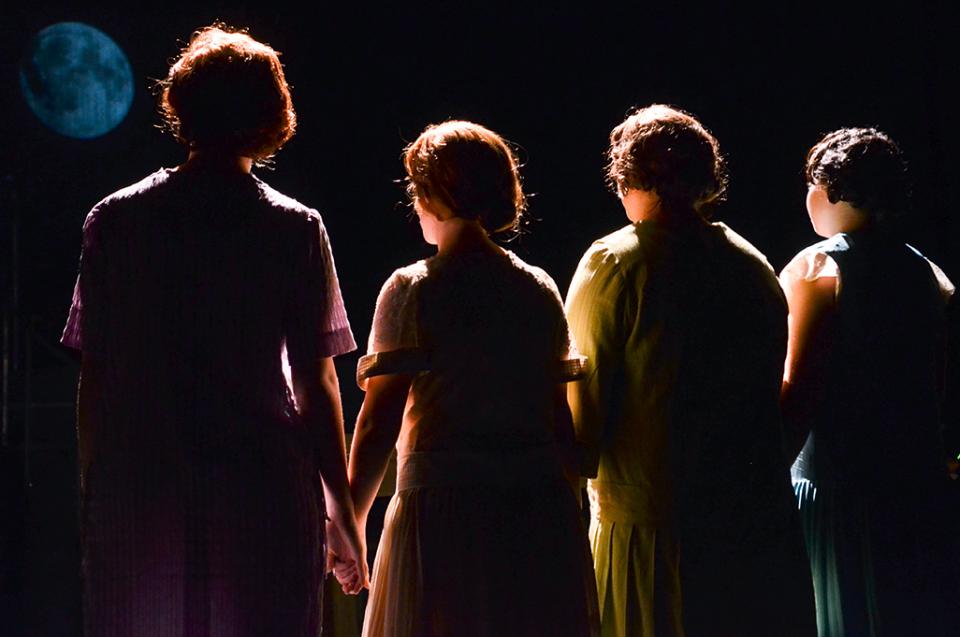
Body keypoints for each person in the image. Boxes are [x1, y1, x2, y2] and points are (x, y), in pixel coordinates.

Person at [61, 24, 367, 637]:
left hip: (142, 489)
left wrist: (93, 490)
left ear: (184, 108)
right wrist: (344, 514)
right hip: (261, 495)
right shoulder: (294, 229)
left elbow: (96, 374)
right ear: (268, 114)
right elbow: (315, 383)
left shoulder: (116, 221)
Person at [565, 104, 816, 637]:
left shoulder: (615, 263)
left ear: (629, 176)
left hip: (653, 534)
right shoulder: (752, 266)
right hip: (753, 531)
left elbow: (583, 421)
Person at [342, 120, 600, 637]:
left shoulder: (413, 290)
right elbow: (558, 422)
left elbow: (377, 424)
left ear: (431, 195)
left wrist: (350, 524)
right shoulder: (537, 289)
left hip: (444, 516)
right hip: (533, 510)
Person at [780, 127, 956, 636]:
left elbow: (802, 385)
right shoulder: (924, 269)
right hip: (911, 483)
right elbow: (935, 388)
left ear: (833, 187)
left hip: (839, 486)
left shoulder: (822, 266)